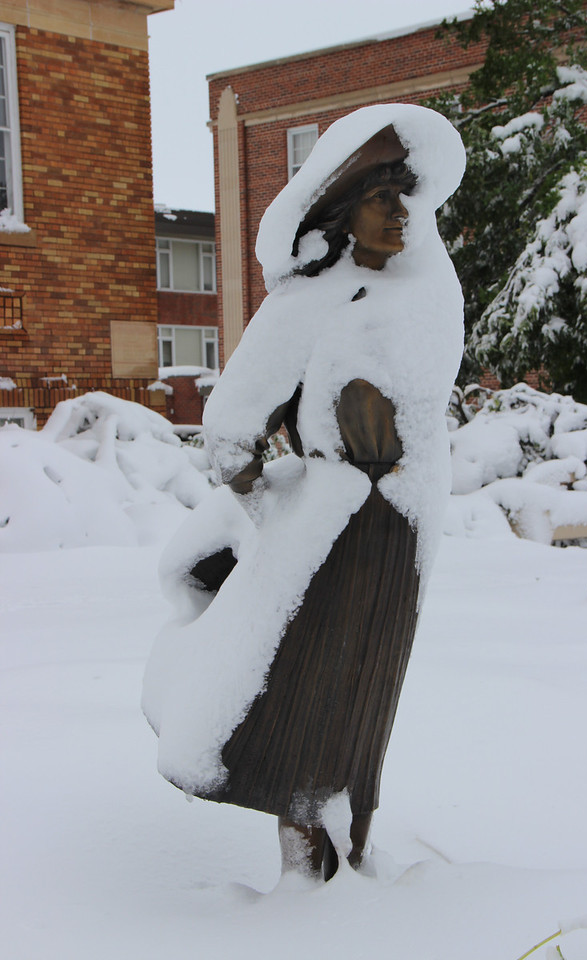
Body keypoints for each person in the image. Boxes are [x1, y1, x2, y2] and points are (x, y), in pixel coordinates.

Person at [142, 103, 466, 883]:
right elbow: (230, 434)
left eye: (404, 199)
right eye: (379, 198)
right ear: (344, 214)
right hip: (330, 536)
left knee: (371, 694)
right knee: (312, 699)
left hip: (404, 532)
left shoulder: (428, 296)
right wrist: (276, 513)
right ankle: (306, 870)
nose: (398, 214)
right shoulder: (314, 300)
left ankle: (355, 847)